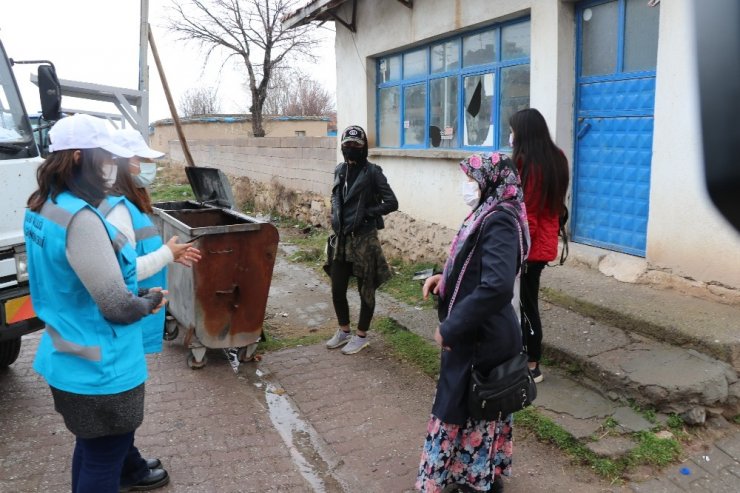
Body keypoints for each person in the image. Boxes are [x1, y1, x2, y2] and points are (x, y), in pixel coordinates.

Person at [23, 114, 169, 492]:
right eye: (103, 156)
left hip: (67, 352)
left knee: (93, 448)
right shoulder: (82, 219)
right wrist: (149, 299)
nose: (110, 164)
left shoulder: (41, 206)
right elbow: (116, 307)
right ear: (76, 157)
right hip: (103, 369)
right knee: (105, 456)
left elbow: (76, 281)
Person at [416, 152, 529, 493]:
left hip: (482, 337)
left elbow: (495, 286)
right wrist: (443, 279)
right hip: (477, 332)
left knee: (472, 409)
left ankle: (477, 480)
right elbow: (473, 266)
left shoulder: (500, 220)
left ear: (492, 181)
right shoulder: (485, 214)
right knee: (467, 409)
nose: (467, 185)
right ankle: (474, 477)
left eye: (471, 178)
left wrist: (452, 326)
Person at [325, 125, 398, 354]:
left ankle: (361, 335)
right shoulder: (339, 170)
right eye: (347, 144)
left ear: (363, 147)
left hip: (365, 239)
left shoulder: (373, 172)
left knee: (366, 289)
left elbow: (391, 202)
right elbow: (335, 196)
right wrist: (335, 217)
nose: (351, 148)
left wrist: (367, 213)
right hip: (342, 240)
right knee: (337, 288)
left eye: (356, 145)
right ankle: (344, 330)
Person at [509, 108, 569, 383]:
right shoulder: (558, 157)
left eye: (513, 131)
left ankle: (530, 364)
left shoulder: (525, 163)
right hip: (544, 242)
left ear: (523, 133)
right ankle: (528, 360)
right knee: (527, 301)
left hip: (527, 244)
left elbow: (528, 213)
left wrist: (517, 249)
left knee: (522, 303)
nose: (511, 136)